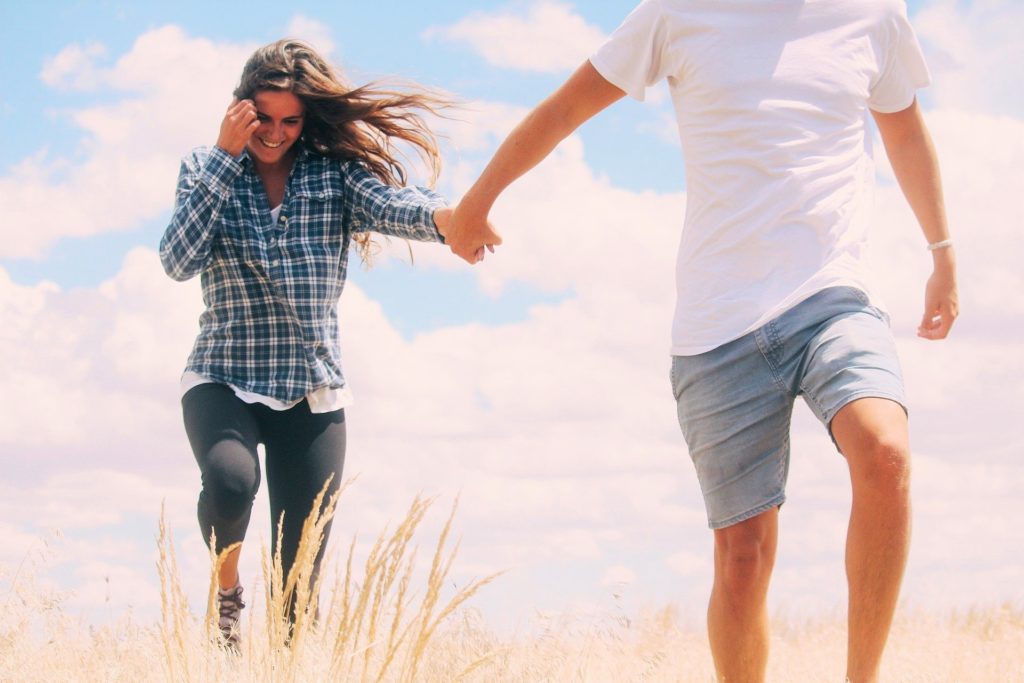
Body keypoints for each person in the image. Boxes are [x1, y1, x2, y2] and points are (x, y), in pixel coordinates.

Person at [445, 1, 957, 681]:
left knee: (885, 451)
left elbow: (905, 132)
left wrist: (942, 252)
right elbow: (566, 109)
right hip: (718, 324)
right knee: (743, 556)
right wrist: (477, 201)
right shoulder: (677, 13)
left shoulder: (871, 14)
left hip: (834, 295)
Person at [159, 39, 457, 650]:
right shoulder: (204, 166)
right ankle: (226, 597)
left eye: (290, 120)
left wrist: (455, 220)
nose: (275, 133)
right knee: (231, 483)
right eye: (262, 117)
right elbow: (177, 260)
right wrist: (223, 155)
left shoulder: (334, 176)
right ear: (240, 109)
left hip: (311, 391)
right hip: (224, 373)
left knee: (297, 597)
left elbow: (396, 206)